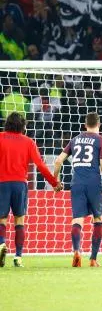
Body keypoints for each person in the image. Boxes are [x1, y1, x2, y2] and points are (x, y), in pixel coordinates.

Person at [53, 112, 102, 267]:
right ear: (99, 124)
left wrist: (56, 181)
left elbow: (57, 161)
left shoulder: (75, 140)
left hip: (76, 183)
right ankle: (93, 259)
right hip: (94, 184)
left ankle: (77, 251)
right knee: (98, 219)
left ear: (85, 125)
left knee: (77, 220)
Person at [0, 112, 62, 268]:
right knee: (19, 220)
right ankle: (18, 257)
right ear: (23, 126)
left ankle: (1, 244)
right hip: (20, 184)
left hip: (2, 184)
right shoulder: (28, 142)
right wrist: (54, 182)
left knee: (2, 220)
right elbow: (40, 165)